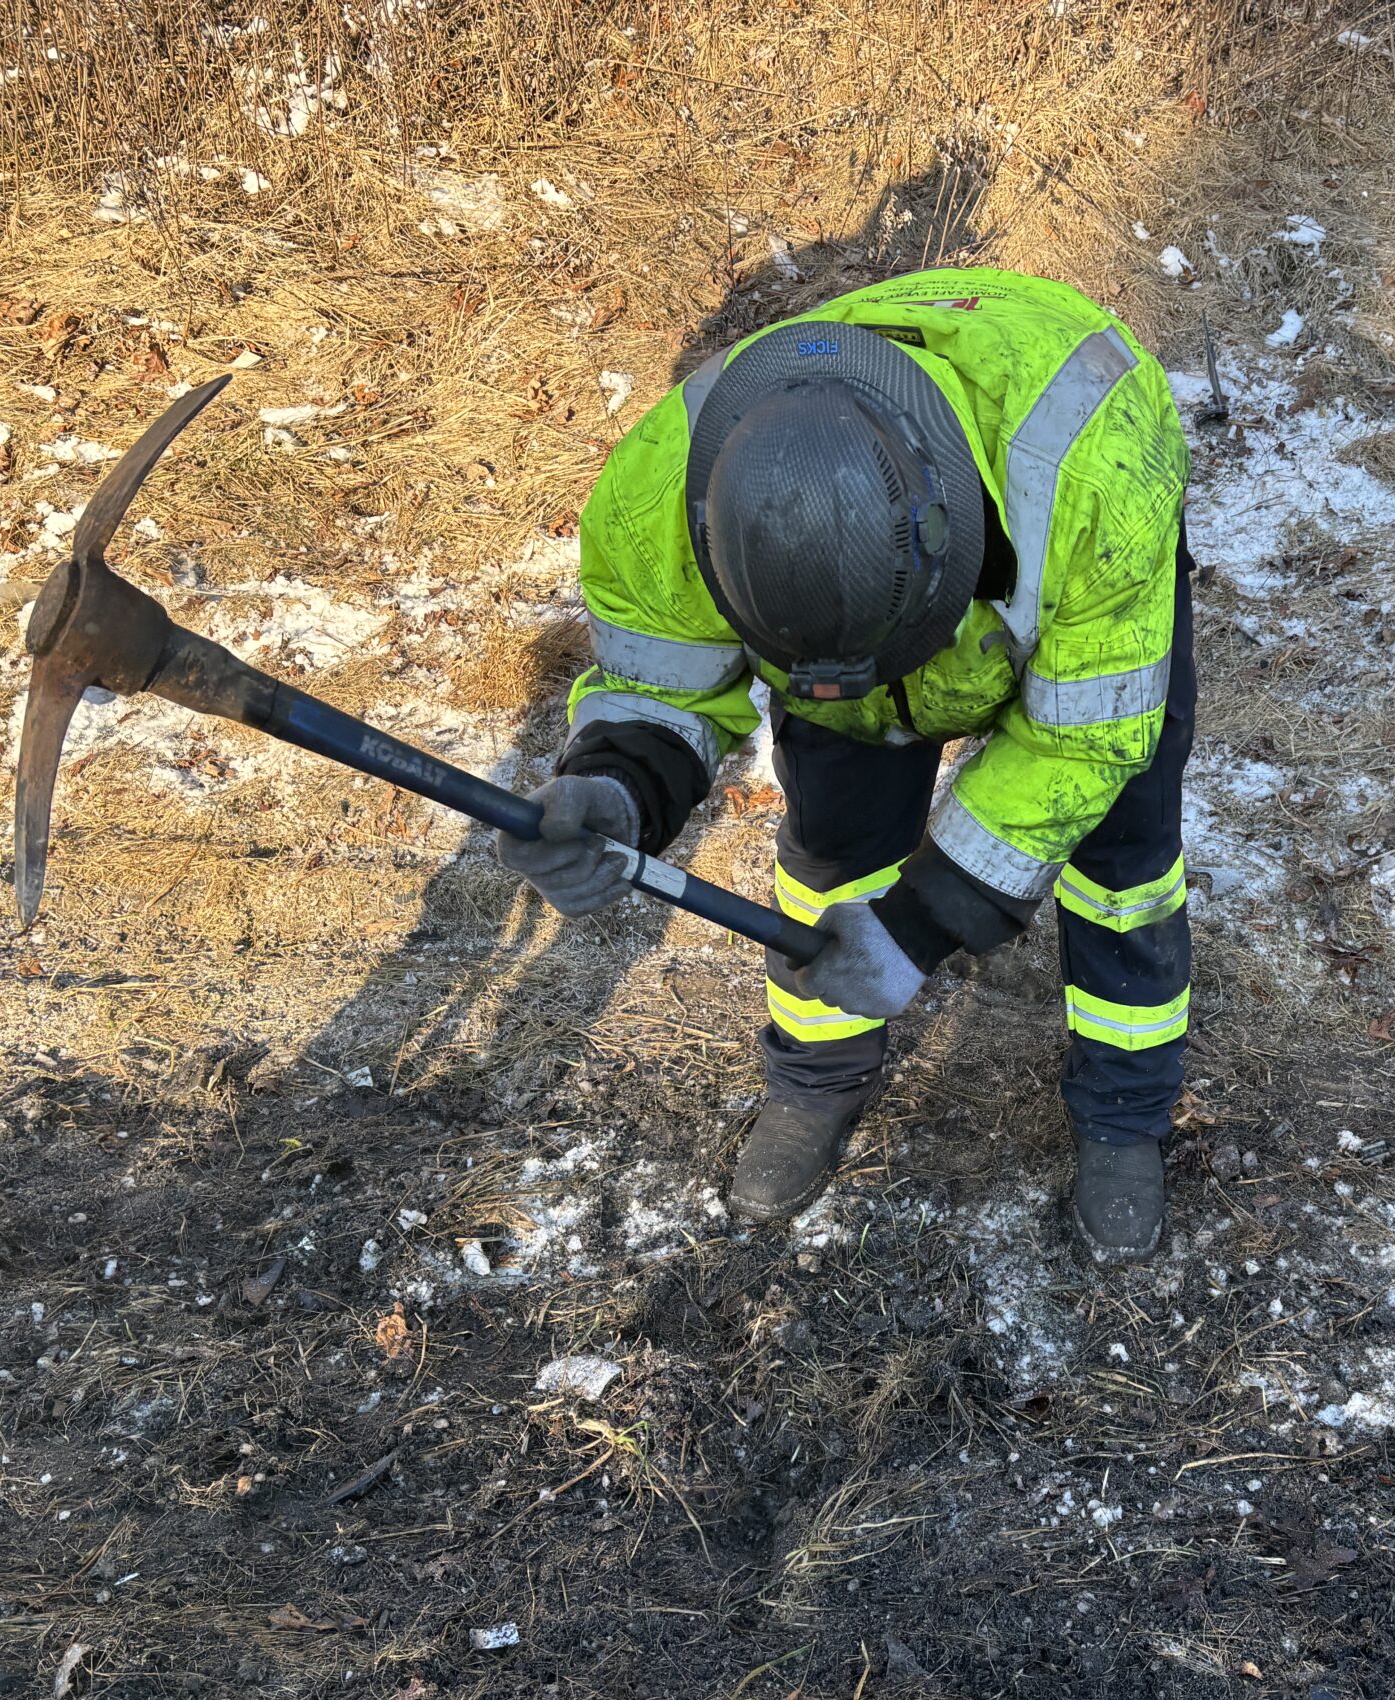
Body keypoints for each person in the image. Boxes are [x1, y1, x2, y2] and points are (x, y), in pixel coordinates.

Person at [495, 269, 1195, 1257]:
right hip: (828, 608)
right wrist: (620, 782)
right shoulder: (662, 487)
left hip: (1080, 564)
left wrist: (920, 925)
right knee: (833, 842)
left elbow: (1081, 744)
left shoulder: (1094, 475)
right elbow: (662, 678)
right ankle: (816, 1080)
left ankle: (1124, 1112)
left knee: (1122, 860)